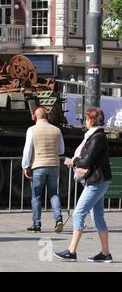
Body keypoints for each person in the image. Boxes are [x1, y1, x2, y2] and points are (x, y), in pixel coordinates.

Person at [55, 108, 113, 262]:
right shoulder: (95, 135)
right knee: (97, 216)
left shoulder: (97, 137)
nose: (85, 121)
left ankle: (71, 251)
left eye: (86, 118)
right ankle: (105, 253)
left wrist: (75, 161)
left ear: (92, 120)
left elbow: (87, 161)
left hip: (96, 181)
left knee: (78, 213)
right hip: (99, 180)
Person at [22, 106, 65, 233]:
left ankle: (37, 224)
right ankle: (58, 219)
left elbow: (28, 150)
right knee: (53, 194)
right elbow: (61, 150)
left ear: (34, 117)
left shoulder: (32, 130)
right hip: (54, 166)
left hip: (38, 167)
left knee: (36, 196)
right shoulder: (57, 130)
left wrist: (26, 166)